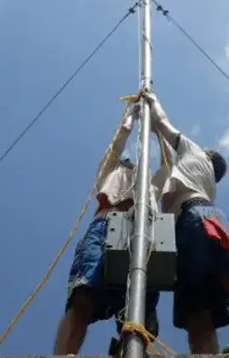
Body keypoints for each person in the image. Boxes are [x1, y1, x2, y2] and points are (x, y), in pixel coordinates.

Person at [146, 91, 229, 355]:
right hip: (185, 225)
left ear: (206, 157)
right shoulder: (192, 173)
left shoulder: (193, 152)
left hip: (197, 215)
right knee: (197, 307)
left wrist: (151, 100)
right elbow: (166, 163)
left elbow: (163, 123)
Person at [53, 104, 160, 355]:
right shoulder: (112, 168)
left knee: (139, 301)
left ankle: (129, 348)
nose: (129, 163)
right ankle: (63, 353)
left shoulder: (150, 182)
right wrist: (130, 120)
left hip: (140, 229)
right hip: (105, 223)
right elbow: (116, 147)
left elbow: (166, 173)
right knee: (84, 292)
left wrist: (158, 130)